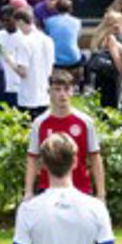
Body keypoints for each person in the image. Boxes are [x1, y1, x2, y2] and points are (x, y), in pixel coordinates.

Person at [25, 70, 105, 200]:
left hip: (81, 189)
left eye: (66, 89)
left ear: (72, 91)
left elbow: (95, 157)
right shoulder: (39, 123)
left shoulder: (85, 122)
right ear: (49, 91)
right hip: (48, 190)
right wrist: (28, 191)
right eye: (57, 89)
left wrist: (101, 193)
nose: (62, 94)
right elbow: (32, 158)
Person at [15, 7, 56, 118]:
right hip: (44, 94)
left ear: (21, 22)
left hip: (28, 96)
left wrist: (9, 61)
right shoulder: (48, 40)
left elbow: (22, 72)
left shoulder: (24, 42)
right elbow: (51, 67)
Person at [0, 7, 27, 109]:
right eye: (3, 21)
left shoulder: (22, 37)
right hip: (2, 82)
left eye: (8, 20)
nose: (5, 24)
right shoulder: (0, 34)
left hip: (17, 84)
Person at [45, 0, 84, 78]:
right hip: (73, 59)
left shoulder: (49, 21)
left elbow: (48, 37)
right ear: (71, 9)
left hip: (55, 59)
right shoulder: (77, 22)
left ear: (56, 9)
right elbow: (78, 37)